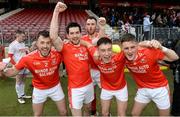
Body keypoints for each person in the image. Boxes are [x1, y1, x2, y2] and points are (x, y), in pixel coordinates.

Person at [0, 30, 67, 116]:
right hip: (39, 90)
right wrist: (3, 70)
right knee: (37, 115)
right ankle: (21, 95)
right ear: (37, 44)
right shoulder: (28, 58)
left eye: (48, 43)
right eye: (42, 43)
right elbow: (13, 71)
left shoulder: (58, 54)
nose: (45, 46)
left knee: (64, 112)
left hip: (55, 87)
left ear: (51, 44)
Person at [50, 2, 94, 116]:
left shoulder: (87, 44)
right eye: (72, 33)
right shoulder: (65, 47)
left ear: (81, 33)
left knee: (88, 109)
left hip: (89, 84)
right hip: (75, 89)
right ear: (67, 35)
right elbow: (53, 36)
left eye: (77, 33)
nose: (75, 36)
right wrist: (56, 12)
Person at [120, 33, 179, 116]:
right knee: (134, 114)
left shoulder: (149, 52)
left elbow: (175, 57)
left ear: (137, 46)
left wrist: (161, 47)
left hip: (160, 89)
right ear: (122, 49)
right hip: (143, 89)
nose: (130, 51)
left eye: (132, 47)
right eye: (126, 48)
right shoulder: (122, 57)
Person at [81, 37, 128, 116]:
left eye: (109, 49)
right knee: (104, 113)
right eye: (103, 50)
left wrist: (148, 43)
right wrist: (69, 41)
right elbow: (86, 43)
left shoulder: (120, 57)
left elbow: (134, 46)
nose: (107, 53)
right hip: (106, 88)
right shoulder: (96, 56)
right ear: (98, 51)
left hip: (121, 89)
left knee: (121, 114)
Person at [82, 16, 106, 115]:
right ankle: (93, 111)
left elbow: (104, 40)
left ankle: (106, 113)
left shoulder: (100, 35)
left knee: (105, 94)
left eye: (92, 24)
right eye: (88, 24)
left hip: (101, 70)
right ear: (85, 26)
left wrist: (102, 27)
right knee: (91, 94)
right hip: (89, 71)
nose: (90, 26)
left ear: (95, 25)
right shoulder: (82, 38)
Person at [8, 30, 31, 104]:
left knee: (23, 80)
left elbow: (24, 53)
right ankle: (19, 97)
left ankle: (23, 94)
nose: (24, 38)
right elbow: (10, 57)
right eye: (22, 36)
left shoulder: (23, 43)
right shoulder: (12, 45)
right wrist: (15, 65)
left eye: (24, 36)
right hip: (18, 66)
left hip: (25, 65)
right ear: (17, 36)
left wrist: (27, 51)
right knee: (18, 81)